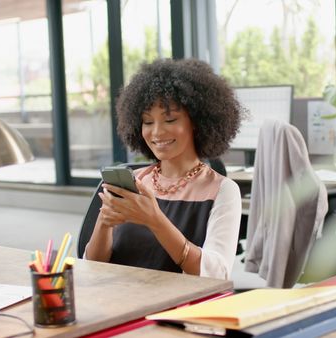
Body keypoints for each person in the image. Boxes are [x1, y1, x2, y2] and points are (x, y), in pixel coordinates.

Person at [85, 58, 245, 280]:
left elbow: (216, 274)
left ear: (197, 122)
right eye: (148, 122)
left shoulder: (222, 190)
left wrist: (155, 220)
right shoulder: (135, 182)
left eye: (170, 119)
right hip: (119, 301)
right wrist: (104, 222)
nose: (157, 133)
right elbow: (92, 266)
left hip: (178, 309)